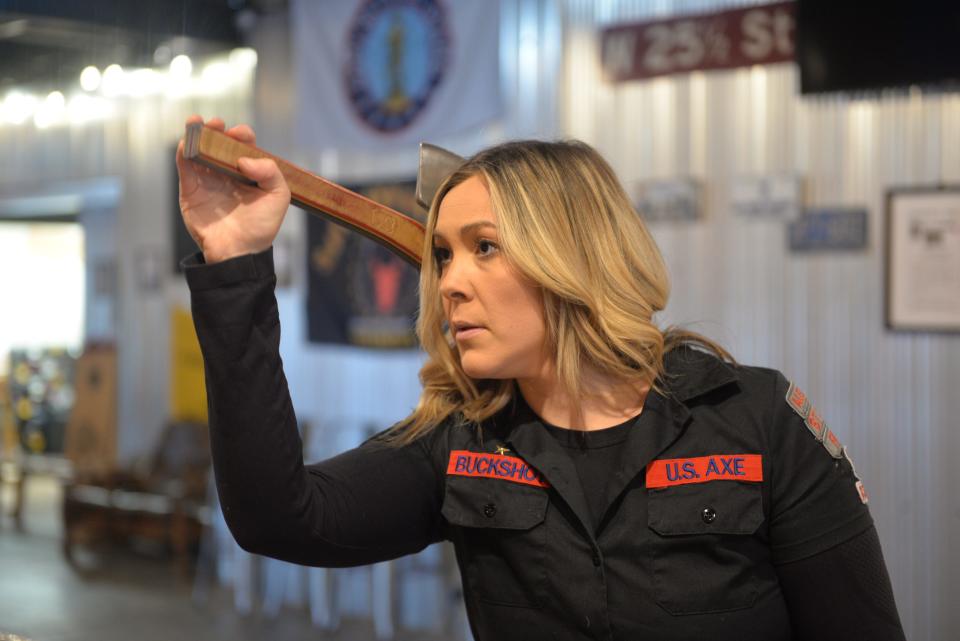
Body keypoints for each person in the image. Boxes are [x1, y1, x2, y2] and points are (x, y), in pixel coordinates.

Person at [177, 114, 907, 641]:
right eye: (443, 255)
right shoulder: (461, 442)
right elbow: (278, 516)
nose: (449, 283)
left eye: (484, 247)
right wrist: (234, 265)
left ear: (574, 259)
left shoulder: (758, 421)